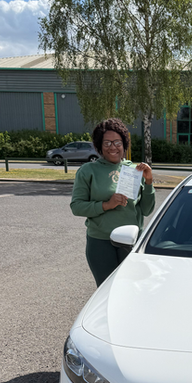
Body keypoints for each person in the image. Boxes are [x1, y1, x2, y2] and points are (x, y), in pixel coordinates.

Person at [70, 117, 155, 286]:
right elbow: (76, 207)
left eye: (117, 142)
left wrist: (148, 182)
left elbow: (146, 210)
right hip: (101, 242)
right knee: (107, 290)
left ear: (124, 144)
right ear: (99, 146)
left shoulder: (134, 170)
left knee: (132, 289)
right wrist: (106, 205)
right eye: (107, 143)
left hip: (132, 242)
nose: (113, 147)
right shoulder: (88, 171)